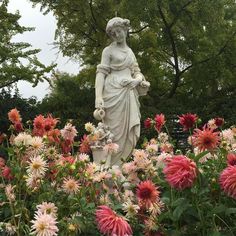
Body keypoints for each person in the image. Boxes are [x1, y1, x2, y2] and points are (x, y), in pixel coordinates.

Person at [95, 17, 150, 166]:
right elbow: (101, 73)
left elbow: (137, 72)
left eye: (118, 31)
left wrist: (136, 81)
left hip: (129, 93)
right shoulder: (108, 51)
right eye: (113, 33)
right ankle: (108, 168)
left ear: (125, 30)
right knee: (113, 132)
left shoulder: (130, 52)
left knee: (130, 133)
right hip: (112, 93)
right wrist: (98, 97)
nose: (117, 35)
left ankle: (121, 167)